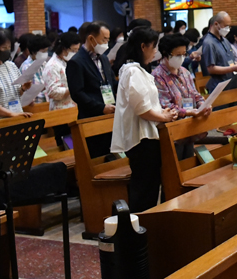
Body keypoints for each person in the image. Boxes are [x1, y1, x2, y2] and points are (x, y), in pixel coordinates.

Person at [110, 27, 178, 212]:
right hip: (141, 139)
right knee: (144, 187)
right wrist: (162, 115)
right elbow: (141, 109)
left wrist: (162, 111)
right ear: (143, 46)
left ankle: (145, 225)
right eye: (154, 46)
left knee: (150, 185)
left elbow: (146, 103)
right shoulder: (132, 71)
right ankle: (138, 228)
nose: (156, 50)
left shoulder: (139, 70)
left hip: (148, 134)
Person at [153, 34, 213, 157]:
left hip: (190, 125)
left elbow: (195, 94)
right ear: (166, 53)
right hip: (173, 128)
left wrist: (203, 105)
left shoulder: (184, 71)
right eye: (177, 55)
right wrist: (188, 112)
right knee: (177, 162)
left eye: (183, 54)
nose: (181, 58)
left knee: (189, 161)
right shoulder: (157, 75)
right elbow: (165, 105)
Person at [67, 21, 116, 155]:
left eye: (108, 39)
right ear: (91, 38)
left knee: (112, 155)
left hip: (110, 113)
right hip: (91, 116)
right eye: (104, 39)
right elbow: (77, 93)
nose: (106, 43)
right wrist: (100, 107)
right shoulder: (76, 62)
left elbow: (112, 83)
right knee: (96, 155)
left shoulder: (104, 59)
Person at [201, 12, 237, 93]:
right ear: (216, 24)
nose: (228, 29)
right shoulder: (209, 42)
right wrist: (232, 68)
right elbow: (211, 69)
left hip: (232, 84)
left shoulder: (225, 40)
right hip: (220, 87)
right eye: (226, 26)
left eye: (229, 26)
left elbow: (229, 61)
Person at [43, 32, 80, 111]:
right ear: (63, 48)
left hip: (74, 106)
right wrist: (73, 88)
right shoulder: (52, 65)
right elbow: (52, 92)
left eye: (77, 50)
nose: (76, 53)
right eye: (73, 50)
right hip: (61, 110)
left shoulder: (68, 61)